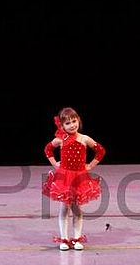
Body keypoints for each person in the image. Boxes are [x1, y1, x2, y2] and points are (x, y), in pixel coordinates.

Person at [42, 107, 106, 250]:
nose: (72, 125)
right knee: (64, 207)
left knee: (77, 209)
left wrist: (90, 166)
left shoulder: (84, 138)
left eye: (74, 121)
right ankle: (64, 239)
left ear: (78, 120)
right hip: (64, 177)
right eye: (68, 123)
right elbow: (47, 149)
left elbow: (100, 151)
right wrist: (55, 164)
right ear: (62, 126)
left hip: (79, 178)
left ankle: (77, 238)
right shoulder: (61, 139)